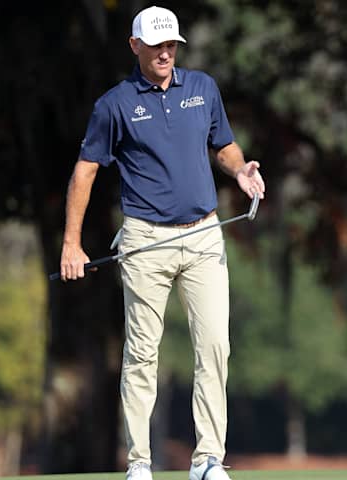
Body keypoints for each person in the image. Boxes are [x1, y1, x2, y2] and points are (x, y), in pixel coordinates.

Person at [58, 5, 265, 480]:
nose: (166, 53)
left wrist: (241, 169)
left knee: (214, 346)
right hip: (145, 240)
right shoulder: (114, 105)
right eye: (156, 46)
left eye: (171, 44)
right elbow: (85, 172)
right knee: (142, 354)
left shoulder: (202, 88)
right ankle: (139, 463)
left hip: (204, 235)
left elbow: (223, 145)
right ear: (136, 46)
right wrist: (72, 243)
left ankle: (207, 460)